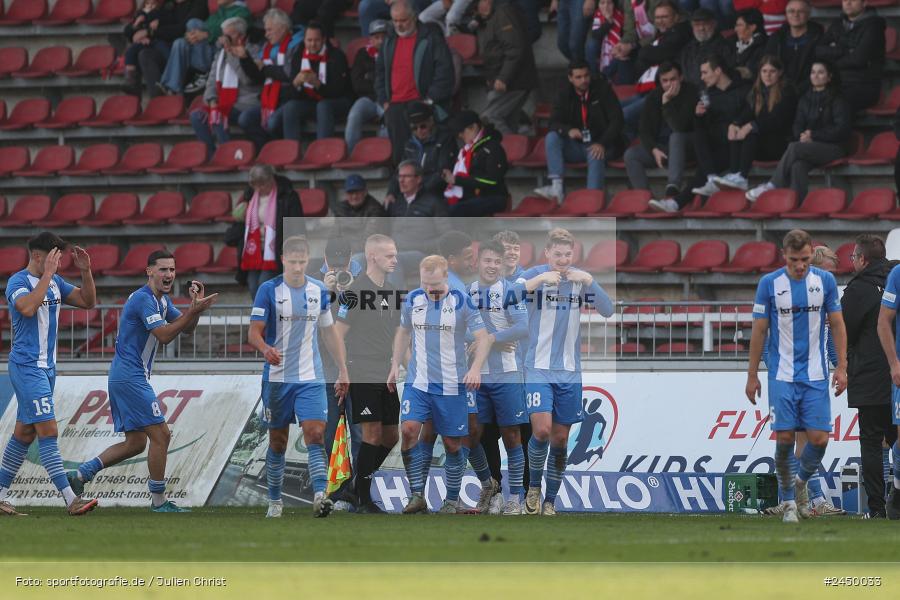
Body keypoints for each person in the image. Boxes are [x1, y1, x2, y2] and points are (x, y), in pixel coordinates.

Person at [70, 250, 218, 513]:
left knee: (136, 443)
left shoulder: (161, 300)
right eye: (163, 269)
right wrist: (191, 311)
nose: (169, 275)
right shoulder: (143, 299)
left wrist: (194, 308)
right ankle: (159, 502)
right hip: (130, 376)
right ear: (149, 271)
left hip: (125, 375)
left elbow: (187, 328)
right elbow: (163, 336)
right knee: (161, 435)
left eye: (172, 270)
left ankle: (81, 474)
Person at [746, 229, 847, 523]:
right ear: (784, 256)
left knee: (819, 439)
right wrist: (752, 374)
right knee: (786, 437)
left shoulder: (825, 281)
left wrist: (841, 366)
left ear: (811, 253)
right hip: (782, 374)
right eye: (794, 260)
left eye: (804, 259)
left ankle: (800, 483)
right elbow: (759, 331)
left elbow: (838, 325)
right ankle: (789, 503)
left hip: (815, 374)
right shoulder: (769, 284)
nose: (800, 265)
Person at [247, 236, 350, 518]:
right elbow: (253, 332)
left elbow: (329, 332)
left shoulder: (318, 290)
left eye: (301, 262)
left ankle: (319, 495)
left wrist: (342, 370)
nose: (296, 266)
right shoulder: (268, 290)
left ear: (307, 261)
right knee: (278, 441)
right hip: (278, 378)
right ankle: (275, 501)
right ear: (283, 260)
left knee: (315, 434)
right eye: (292, 261)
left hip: (310, 377)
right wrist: (265, 348)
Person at [515, 228, 615, 515]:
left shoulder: (579, 280)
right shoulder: (534, 274)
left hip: (570, 372)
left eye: (567, 254)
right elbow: (510, 296)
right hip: (538, 368)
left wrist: (591, 281)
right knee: (543, 430)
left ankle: (550, 500)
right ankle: (533, 488)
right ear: (547, 253)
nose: (562, 259)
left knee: (560, 438)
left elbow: (607, 310)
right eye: (557, 254)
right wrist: (537, 280)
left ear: (573, 255)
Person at [0, 233, 97, 517]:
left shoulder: (54, 281)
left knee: (24, 432)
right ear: (38, 256)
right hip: (27, 367)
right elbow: (28, 308)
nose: (57, 263)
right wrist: (49, 275)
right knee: (48, 430)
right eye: (54, 258)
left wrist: (86, 271)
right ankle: (70, 499)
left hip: (48, 368)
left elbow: (87, 301)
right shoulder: (18, 282)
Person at [388, 255, 492, 514]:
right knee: (409, 431)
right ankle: (416, 495)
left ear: (446, 277)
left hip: (451, 386)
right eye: (425, 284)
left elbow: (484, 338)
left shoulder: (462, 301)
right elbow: (402, 332)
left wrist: (476, 369)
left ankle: (451, 500)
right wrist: (395, 365)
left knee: (452, 444)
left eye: (435, 285)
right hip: (418, 382)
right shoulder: (413, 299)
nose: (430, 290)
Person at [334, 234, 402, 513]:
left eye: (395, 255)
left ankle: (351, 487)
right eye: (390, 255)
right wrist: (343, 371)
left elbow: (398, 332)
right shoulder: (354, 292)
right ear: (373, 256)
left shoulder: (391, 289)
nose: (395, 260)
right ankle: (363, 499)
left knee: (391, 437)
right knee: (371, 434)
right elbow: (337, 334)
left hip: (385, 370)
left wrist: (400, 362)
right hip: (362, 369)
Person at [466, 240, 530, 515]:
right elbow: (458, 328)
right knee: (471, 435)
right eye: (487, 261)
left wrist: (492, 339)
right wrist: (474, 340)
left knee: (511, 434)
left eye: (497, 262)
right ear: (477, 262)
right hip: (475, 375)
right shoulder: (465, 291)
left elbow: (523, 326)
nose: (492, 266)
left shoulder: (510, 291)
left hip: (506, 372)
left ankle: (514, 496)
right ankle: (490, 487)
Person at [842, 235, 897, 518]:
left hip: (870, 375)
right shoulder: (895, 278)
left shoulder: (857, 289)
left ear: (863, 259)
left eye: (853, 257)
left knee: (872, 442)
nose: (852, 262)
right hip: (896, 374)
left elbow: (844, 332)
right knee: (897, 440)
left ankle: (876, 508)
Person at [651, 54, 747, 211]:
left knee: (704, 169)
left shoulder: (743, 89)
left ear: (717, 71)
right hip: (717, 147)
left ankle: (677, 202)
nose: (701, 77)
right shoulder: (708, 94)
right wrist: (699, 115)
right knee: (698, 137)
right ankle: (704, 182)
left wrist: (735, 124)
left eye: (705, 72)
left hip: (737, 145)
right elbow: (696, 127)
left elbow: (748, 116)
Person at [745, 61, 850, 202]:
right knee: (797, 165)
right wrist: (802, 135)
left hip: (834, 147)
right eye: (813, 72)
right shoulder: (805, 99)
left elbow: (841, 129)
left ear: (829, 77)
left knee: (794, 148)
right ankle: (795, 205)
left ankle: (773, 184)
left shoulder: (838, 99)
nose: (816, 76)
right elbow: (797, 124)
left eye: (821, 72)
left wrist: (813, 135)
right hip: (809, 146)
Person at [375, 0, 455, 164]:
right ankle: (401, 186)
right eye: (395, 21)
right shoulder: (388, 41)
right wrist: (384, 101)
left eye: (403, 20)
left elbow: (445, 72)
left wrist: (429, 99)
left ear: (415, 17)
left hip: (422, 104)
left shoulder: (431, 38)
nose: (399, 25)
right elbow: (380, 73)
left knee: (425, 156)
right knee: (400, 156)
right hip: (395, 107)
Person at [533, 60, 625, 203]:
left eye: (586, 76)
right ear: (570, 78)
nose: (583, 80)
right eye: (578, 77)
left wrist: (602, 143)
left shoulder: (603, 89)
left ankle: (593, 199)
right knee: (552, 137)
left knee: (595, 153)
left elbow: (617, 121)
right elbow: (553, 123)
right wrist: (568, 130)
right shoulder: (564, 94)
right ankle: (557, 188)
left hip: (603, 144)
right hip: (577, 146)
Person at [710, 55, 797, 192]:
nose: (767, 75)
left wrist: (752, 126)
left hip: (779, 145)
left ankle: (742, 178)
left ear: (780, 73)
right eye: (764, 71)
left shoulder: (787, 91)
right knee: (737, 131)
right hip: (761, 144)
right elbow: (747, 112)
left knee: (750, 133)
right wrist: (735, 124)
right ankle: (734, 174)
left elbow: (776, 120)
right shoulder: (757, 91)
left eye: (772, 71)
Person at [189, 17, 265, 158]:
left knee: (220, 113)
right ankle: (211, 156)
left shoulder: (253, 51)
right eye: (224, 35)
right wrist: (212, 101)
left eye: (229, 35)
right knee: (197, 116)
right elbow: (211, 82)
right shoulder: (220, 55)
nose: (224, 39)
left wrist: (233, 55)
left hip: (246, 102)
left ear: (241, 35)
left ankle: (227, 155)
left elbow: (248, 80)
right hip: (225, 102)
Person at [626, 60, 697, 199]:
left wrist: (667, 103)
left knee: (676, 137)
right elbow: (644, 129)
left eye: (673, 79)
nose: (669, 84)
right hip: (663, 150)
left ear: (681, 78)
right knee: (631, 155)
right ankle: (646, 199)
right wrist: (653, 149)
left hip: (686, 147)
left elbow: (680, 127)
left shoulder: (691, 92)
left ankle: (672, 189)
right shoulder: (654, 96)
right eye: (664, 81)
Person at [233, 164, 306, 299]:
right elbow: (240, 225)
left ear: (272, 180)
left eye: (263, 184)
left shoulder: (288, 196)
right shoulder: (249, 196)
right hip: (253, 250)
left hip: (275, 250)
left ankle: (267, 317)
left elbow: (297, 225)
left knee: (264, 284)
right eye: (256, 185)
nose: (259, 188)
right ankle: (264, 316)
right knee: (253, 285)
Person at [625, 1, 692, 135]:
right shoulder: (663, 34)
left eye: (665, 17)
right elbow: (648, 55)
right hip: (649, 87)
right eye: (657, 18)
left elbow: (646, 53)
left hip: (665, 91)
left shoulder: (680, 33)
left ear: (676, 17)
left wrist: (648, 51)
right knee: (616, 109)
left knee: (623, 114)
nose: (660, 21)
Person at [238, 9, 304, 143]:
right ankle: (268, 152)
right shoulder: (267, 47)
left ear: (283, 28)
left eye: (269, 30)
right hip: (270, 98)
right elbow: (257, 76)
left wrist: (265, 68)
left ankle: (281, 152)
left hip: (290, 97)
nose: (266, 35)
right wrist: (245, 58)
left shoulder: (298, 45)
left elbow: (288, 73)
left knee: (272, 124)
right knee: (245, 119)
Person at [158, 0, 251, 95]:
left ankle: (203, 72)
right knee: (180, 42)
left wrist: (207, 34)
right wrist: (189, 36)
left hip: (220, 53)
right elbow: (208, 25)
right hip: (205, 51)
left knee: (193, 23)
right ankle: (171, 87)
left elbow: (228, 32)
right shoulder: (220, 11)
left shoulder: (242, 11)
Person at [473, 0, 537, 135]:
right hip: (510, 79)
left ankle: (509, 150)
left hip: (513, 80)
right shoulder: (497, 13)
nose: (480, 7)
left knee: (490, 117)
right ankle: (512, 153)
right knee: (508, 121)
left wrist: (503, 78)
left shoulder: (504, 12)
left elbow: (515, 49)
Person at [386, 160, 453, 284]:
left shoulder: (434, 203)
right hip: (396, 252)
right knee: (359, 259)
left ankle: (395, 303)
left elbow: (447, 237)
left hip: (423, 255)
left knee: (393, 262)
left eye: (406, 176)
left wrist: (421, 245)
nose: (401, 180)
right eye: (400, 176)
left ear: (418, 179)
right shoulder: (397, 203)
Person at [815, 0, 885, 113]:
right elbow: (818, 50)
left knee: (833, 103)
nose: (847, 3)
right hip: (836, 82)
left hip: (863, 85)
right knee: (805, 99)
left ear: (864, 3)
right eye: (844, 0)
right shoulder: (838, 23)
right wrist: (845, 51)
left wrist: (831, 60)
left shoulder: (874, 26)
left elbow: (858, 60)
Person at [133, 0, 210, 97]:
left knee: (179, 43)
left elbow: (181, 30)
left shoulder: (199, 4)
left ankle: (169, 87)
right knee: (145, 54)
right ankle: (158, 100)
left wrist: (150, 33)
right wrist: (140, 32)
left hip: (188, 53)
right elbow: (149, 19)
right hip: (167, 48)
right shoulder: (168, 4)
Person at [385, 102, 457, 203]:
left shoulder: (445, 140)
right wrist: (391, 193)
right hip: (412, 192)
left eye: (423, 126)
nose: (419, 131)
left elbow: (442, 173)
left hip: (436, 193)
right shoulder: (409, 144)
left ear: (431, 122)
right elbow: (399, 171)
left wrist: (418, 192)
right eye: (414, 128)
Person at [443, 110, 510, 217]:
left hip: (493, 196)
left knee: (454, 211)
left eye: (462, 131)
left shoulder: (493, 147)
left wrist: (457, 180)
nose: (460, 135)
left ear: (473, 127)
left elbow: (492, 180)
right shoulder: (466, 150)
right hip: (472, 195)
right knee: (435, 207)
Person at [345, 19, 390, 152]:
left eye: (384, 37)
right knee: (354, 114)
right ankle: (351, 153)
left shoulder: (395, 53)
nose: (381, 41)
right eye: (377, 37)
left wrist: (372, 81)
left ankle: (384, 154)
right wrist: (378, 88)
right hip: (368, 99)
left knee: (389, 119)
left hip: (389, 100)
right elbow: (357, 84)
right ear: (370, 39)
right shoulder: (362, 54)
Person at [763, 0, 821, 94]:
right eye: (791, 11)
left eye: (800, 11)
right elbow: (767, 66)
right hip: (778, 91)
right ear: (786, 15)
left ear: (809, 14)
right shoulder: (776, 38)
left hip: (809, 92)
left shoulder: (819, 38)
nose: (795, 15)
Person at [677, 8, 732, 88]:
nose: (701, 28)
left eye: (705, 24)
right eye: (697, 25)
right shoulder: (687, 49)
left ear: (714, 24)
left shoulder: (724, 46)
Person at [332, 175, 387, 253]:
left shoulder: (375, 209)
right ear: (346, 194)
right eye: (350, 192)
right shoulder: (341, 208)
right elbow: (334, 236)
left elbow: (368, 241)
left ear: (365, 192)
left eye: (357, 192)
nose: (354, 196)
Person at [123, 0, 166, 94]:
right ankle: (130, 79)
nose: (150, 6)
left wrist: (146, 34)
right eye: (147, 3)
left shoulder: (159, 14)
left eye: (153, 4)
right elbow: (127, 31)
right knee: (131, 50)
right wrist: (136, 24)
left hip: (155, 42)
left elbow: (159, 29)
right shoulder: (140, 15)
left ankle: (131, 80)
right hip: (143, 42)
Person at [732, 9, 768, 82]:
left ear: (752, 27)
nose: (735, 29)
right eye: (736, 25)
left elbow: (753, 73)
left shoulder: (763, 46)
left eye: (739, 25)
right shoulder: (733, 43)